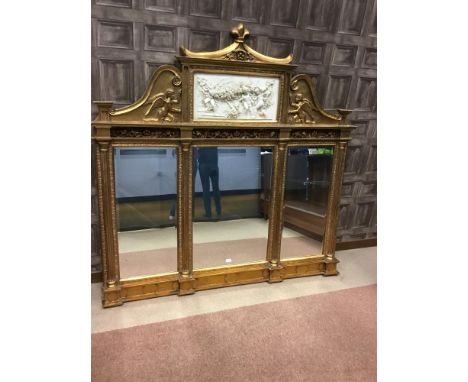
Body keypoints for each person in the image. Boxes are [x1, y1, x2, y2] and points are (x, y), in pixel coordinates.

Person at [197, 147, 221, 219]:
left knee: (206, 189)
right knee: (216, 188)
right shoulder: (214, 139)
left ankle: (208, 213)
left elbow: (197, 153)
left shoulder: (200, 140)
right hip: (214, 165)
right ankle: (219, 210)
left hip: (204, 166)